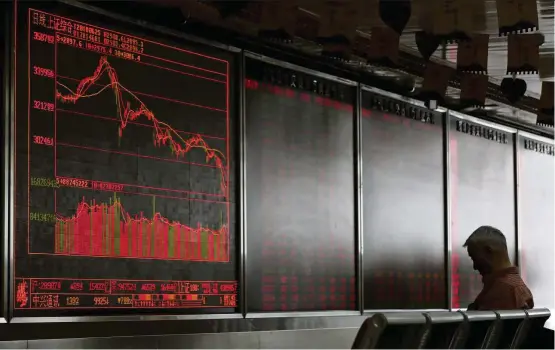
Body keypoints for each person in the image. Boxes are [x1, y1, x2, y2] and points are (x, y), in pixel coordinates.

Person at [463, 225, 534, 310]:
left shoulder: (503, 291)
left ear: (489, 251)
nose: (475, 267)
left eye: (475, 258)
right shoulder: (516, 288)